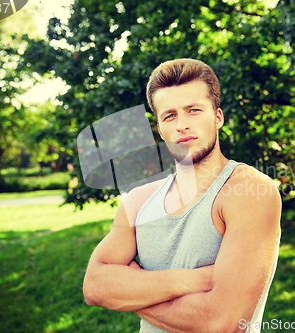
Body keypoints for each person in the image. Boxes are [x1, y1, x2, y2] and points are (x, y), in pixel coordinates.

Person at [83, 58, 281, 332]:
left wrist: (131, 291)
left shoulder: (248, 191)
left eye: (194, 110)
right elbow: (94, 286)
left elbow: (222, 322)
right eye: (170, 116)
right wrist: (193, 280)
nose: (182, 125)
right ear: (160, 129)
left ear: (218, 117)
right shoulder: (138, 202)